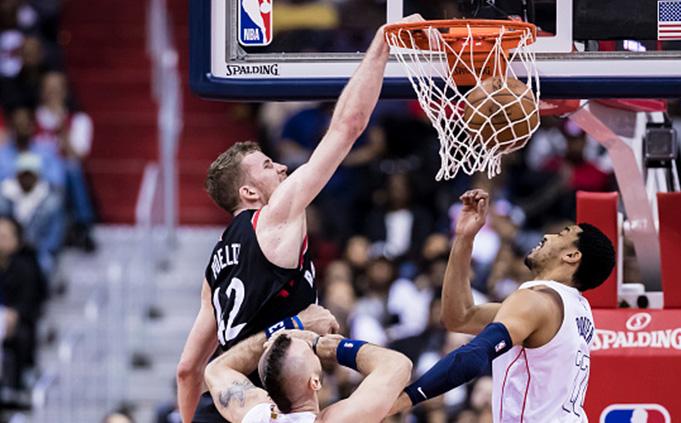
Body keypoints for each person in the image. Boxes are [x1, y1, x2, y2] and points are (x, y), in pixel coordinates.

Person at [176, 15, 425, 422]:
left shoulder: (213, 269)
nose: (283, 170)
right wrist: (381, 46)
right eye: (268, 165)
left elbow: (188, 370)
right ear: (249, 193)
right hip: (272, 398)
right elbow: (347, 127)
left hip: (224, 404)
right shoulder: (274, 217)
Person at [390, 189, 615, 422]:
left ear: (571, 256)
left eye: (562, 234)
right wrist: (464, 240)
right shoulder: (575, 309)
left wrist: (406, 399)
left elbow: (475, 354)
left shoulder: (535, 300)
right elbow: (459, 317)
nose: (548, 235)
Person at [203, 328, 412, 423]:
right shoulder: (338, 419)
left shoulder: (253, 413)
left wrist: (273, 334)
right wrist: (325, 345)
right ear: (314, 383)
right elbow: (398, 364)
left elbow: (215, 369)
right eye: (311, 352)